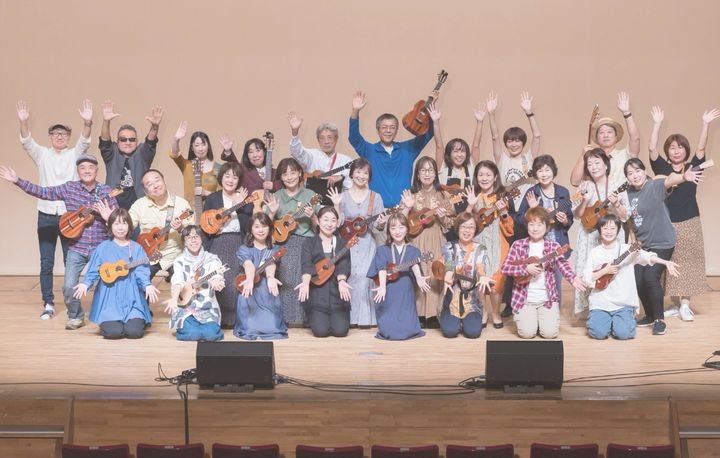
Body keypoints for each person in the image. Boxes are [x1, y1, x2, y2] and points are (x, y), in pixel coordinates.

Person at [0, 155, 117, 330]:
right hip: (77, 247)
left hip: (101, 248)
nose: (87, 170)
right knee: (69, 287)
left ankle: (107, 315)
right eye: (83, 167)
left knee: (110, 283)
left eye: (90, 167)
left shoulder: (107, 191)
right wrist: (17, 180)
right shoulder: (69, 188)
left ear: (96, 170)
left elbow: (118, 220)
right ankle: (76, 316)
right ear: (78, 171)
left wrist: (109, 217)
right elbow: (43, 192)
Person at [16, 99, 93, 319]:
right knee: (46, 262)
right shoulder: (42, 154)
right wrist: (23, 122)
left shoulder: (74, 155)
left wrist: (88, 122)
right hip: (46, 215)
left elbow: (84, 140)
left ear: (68, 137)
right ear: (50, 136)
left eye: (64, 133)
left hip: (71, 217)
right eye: (56, 133)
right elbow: (27, 141)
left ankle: (72, 303)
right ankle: (48, 303)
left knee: (71, 261)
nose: (60, 136)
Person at [649, 106, 719, 321]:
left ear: (685, 150)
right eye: (672, 147)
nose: (676, 151)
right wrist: (657, 124)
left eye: (680, 147)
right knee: (669, 263)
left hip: (690, 221)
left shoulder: (693, 167)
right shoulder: (662, 169)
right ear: (668, 151)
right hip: (666, 223)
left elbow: (701, 148)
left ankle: (686, 304)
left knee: (689, 262)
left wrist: (705, 124)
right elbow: (652, 150)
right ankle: (674, 303)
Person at [625, 158, 700, 335]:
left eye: (637, 171)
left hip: (663, 242)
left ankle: (660, 320)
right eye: (630, 173)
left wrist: (684, 176)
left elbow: (670, 180)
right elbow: (629, 217)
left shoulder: (654, 186)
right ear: (627, 178)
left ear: (644, 171)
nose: (635, 175)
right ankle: (650, 315)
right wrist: (632, 233)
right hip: (643, 245)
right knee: (638, 279)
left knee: (650, 277)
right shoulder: (628, 194)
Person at [583, 214, 679, 340]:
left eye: (612, 228)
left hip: (623, 303)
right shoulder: (594, 252)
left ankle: (619, 320)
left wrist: (665, 262)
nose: (608, 231)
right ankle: (605, 320)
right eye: (605, 228)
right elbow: (586, 278)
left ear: (618, 230)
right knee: (598, 333)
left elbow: (647, 256)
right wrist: (605, 271)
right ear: (599, 230)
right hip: (601, 303)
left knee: (624, 334)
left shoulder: (627, 249)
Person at [72, 208, 160, 339]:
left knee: (134, 332)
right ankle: (111, 321)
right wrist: (86, 283)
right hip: (110, 296)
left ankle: (134, 320)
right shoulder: (103, 247)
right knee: (114, 333)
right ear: (110, 225)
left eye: (124, 223)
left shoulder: (136, 248)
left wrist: (147, 284)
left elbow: (141, 270)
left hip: (131, 295)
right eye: (116, 223)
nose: (120, 227)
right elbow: (94, 269)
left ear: (129, 226)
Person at [501, 207, 587, 339]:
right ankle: (531, 319)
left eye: (540, 224)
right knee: (527, 334)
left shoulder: (553, 246)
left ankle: (540, 319)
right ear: (527, 226)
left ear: (547, 227)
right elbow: (505, 268)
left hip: (547, 300)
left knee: (549, 334)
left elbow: (563, 264)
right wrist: (525, 269)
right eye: (531, 224)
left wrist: (573, 278)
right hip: (524, 300)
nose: (535, 229)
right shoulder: (518, 245)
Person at [348, 91, 435, 207]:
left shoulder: (407, 150)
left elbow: (428, 133)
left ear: (396, 130)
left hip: (404, 209)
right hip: (377, 210)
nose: (388, 131)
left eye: (392, 127)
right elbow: (354, 138)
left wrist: (430, 107)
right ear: (378, 130)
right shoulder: (370, 151)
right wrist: (355, 111)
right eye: (384, 127)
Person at [572, 148, 629, 315]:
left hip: (612, 234)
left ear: (606, 165)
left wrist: (616, 204)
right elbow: (577, 215)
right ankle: (589, 310)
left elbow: (625, 216)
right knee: (587, 269)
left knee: (613, 269)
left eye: (597, 163)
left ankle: (615, 308)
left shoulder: (618, 185)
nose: (593, 167)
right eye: (589, 164)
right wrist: (584, 201)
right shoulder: (584, 186)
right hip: (588, 235)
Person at [265, 158, 321, 326]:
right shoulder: (276, 196)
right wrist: (272, 213)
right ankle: (285, 318)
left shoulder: (310, 195)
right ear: (280, 177)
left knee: (307, 278)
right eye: (285, 174)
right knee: (286, 279)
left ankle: (307, 319)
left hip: (307, 242)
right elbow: (263, 226)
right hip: (283, 243)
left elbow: (320, 227)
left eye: (293, 172)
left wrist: (313, 216)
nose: (289, 177)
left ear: (299, 173)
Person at [400, 157, 455, 327]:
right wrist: (407, 207)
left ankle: (434, 314)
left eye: (430, 170)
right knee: (418, 271)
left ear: (435, 174)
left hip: (437, 237)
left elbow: (451, 223)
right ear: (417, 174)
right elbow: (399, 222)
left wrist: (442, 217)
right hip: (416, 239)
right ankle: (417, 314)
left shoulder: (443, 195)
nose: (427, 174)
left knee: (435, 272)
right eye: (423, 170)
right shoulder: (410, 194)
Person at [330, 158, 385, 326]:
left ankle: (365, 320)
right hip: (347, 245)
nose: (361, 176)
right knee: (350, 277)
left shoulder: (375, 197)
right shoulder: (343, 196)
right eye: (358, 172)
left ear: (369, 176)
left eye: (365, 173)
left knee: (365, 278)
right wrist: (337, 206)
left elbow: (377, 228)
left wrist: (380, 223)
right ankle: (348, 319)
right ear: (352, 174)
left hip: (367, 244)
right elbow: (337, 224)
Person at [516, 155, 574, 301]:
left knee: (556, 283)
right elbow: (519, 218)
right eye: (540, 171)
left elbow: (570, 219)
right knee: (535, 283)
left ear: (553, 171)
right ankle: (534, 310)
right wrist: (533, 210)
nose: (544, 174)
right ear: (535, 174)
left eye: (547, 170)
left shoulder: (563, 192)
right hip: (536, 246)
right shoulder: (532, 192)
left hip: (557, 244)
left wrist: (565, 220)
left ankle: (554, 312)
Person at [463, 160, 514, 328]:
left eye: (488, 174)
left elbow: (509, 229)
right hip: (477, 244)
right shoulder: (473, 196)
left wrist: (504, 211)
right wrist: (470, 206)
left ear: (495, 177)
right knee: (479, 279)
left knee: (496, 283)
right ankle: (483, 312)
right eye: (480, 175)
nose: (484, 178)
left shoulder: (502, 198)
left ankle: (496, 313)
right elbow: (463, 223)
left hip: (498, 244)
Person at [367, 213, 431, 340]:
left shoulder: (413, 251)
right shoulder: (382, 250)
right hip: (388, 290)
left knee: (408, 331)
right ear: (388, 231)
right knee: (389, 331)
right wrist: (382, 287)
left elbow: (414, 265)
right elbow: (382, 269)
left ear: (407, 229)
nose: (397, 231)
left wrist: (419, 278)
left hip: (405, 290)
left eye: (401, 227)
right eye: (393, 228)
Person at [201, 162, 250, 327]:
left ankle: (236, 319)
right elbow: (205, 225)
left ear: (239, 181)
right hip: (217, 242)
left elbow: (247, 227)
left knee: (236, 279)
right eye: (227, 176)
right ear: (221, 178)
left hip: (238, 242)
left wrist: (240, 205)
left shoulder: (245, 199)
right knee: (219, 278)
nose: (230, 180)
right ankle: (217, 318)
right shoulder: (212, 198)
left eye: (234, 177)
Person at [426, 100, 484, 240]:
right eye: (456, 151)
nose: (459, 155)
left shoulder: (471, 167)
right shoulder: (443, 168)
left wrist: (480, 122)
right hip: (448, 219)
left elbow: (476, 146)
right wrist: (435, 122)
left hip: (468, 218)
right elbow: (439, 146)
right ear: (449, 154)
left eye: (462, 151)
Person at [297, 207, 353, 337]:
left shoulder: (342, 243)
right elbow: (306, 265)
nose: (329, 224)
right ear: (318, 220)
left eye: (333, 220)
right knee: (320, 332)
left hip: (337, 294)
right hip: (318, 294)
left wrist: (342, 281)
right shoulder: (309, 243)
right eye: (326, 219)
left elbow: (344, 264)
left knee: (341, 331)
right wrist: (305, 283)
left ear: (337, 223)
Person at [129, 169, 194, 280]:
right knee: (136, 281)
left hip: (174, 256)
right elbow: (127, 226)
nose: (155, 186)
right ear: (145, 191)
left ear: (164, 181)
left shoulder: (182, 204)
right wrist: (111, 219)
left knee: (185, 282)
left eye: (157, 180)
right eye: (149, 184)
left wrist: (181, 228)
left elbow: (192, 234)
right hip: (148, 255)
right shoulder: (139, 204)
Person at [165, 225, 226, 341]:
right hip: (186, 308)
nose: (193, 240)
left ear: (201, 239)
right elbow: (177, 280)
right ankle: (193, 328)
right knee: (193, 334)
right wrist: (174, 298)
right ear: (184, 242)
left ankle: (203, 328)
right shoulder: (179, 261)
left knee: (211, 335)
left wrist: (216, 281)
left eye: (196, 237)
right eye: (189, 237)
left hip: (207, 308)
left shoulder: (212, 259)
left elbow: (217, 274)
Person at [99, 100, 163, 209]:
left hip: (139, 207)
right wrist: (106, 121)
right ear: (117, 142)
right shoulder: (112, 154)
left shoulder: (142, 154)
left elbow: (151, 141)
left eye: (132, 139)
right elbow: (105, 141)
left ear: (136, 141)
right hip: (114, 207)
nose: (128, 142)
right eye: (123, 139)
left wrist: (155, 126)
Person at [234, 213, 288, 340]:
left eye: (264, 226)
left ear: (269, 228)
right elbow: (248, 265)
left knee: (272, 328)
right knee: (249, 329)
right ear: (251, 230)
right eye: (257, 226)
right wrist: (249, 280)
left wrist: (270, 278)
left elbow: (271, 265)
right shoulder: (244, 249)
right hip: (249, 288)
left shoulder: (274, 249)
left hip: (266, 289)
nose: (261, 230)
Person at [439, 213, 494, 338]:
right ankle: (451, 318)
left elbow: (480, 267)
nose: (467, 230)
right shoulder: (449, 246)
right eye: (464, 226)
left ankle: (468, 320)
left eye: (471, 227)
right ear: (458, 228)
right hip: (452, 299)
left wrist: (482, 276)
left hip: (471, 301)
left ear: (476, 230)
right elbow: (449, 264)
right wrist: (448, 276)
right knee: (450, 332)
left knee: (473, 333)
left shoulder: (480, 248)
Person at [570, 92, 640, 188]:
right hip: (598, 197)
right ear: (597, 138)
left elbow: (635, 138)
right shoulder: (591, 160)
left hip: (622, 196)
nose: (606, 135)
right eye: (601, 132)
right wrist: (582, 156)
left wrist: (627, 113)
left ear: (616, 137)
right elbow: (575, 181)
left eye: (609, 132)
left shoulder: (625, 154)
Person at [486, 91, 542, 207]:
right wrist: (491, 114)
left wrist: (529, 113)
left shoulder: (529, 158)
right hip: (506, 209)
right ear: (506, 144)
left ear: (523, 143)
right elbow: (495, 137)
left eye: (517, 141)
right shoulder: (502, 159)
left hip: (528, 209)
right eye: (510, 141)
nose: (514, 144)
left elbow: (537, 136)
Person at [288, 112, 354, 205]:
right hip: (313, 206)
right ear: (318, 140)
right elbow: (297, 152)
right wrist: (295, 133)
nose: (326, 142)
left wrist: (341, 178)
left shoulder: (346, 161)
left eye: (329, 137)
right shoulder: (312, 155)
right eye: (322, 138)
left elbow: (350, 187)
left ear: (336, 139)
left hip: (337, 207)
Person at [169, 121, 222, 210]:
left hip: (210, 213)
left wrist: (207, 193)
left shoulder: (218, 168)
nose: (200, 148)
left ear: (208, 146)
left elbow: (222, 196)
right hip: (189, 212)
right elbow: (174, 154)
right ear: (192, 148)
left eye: (203, 144)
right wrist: (176, 139)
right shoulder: (186, 165)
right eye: (197, 145)